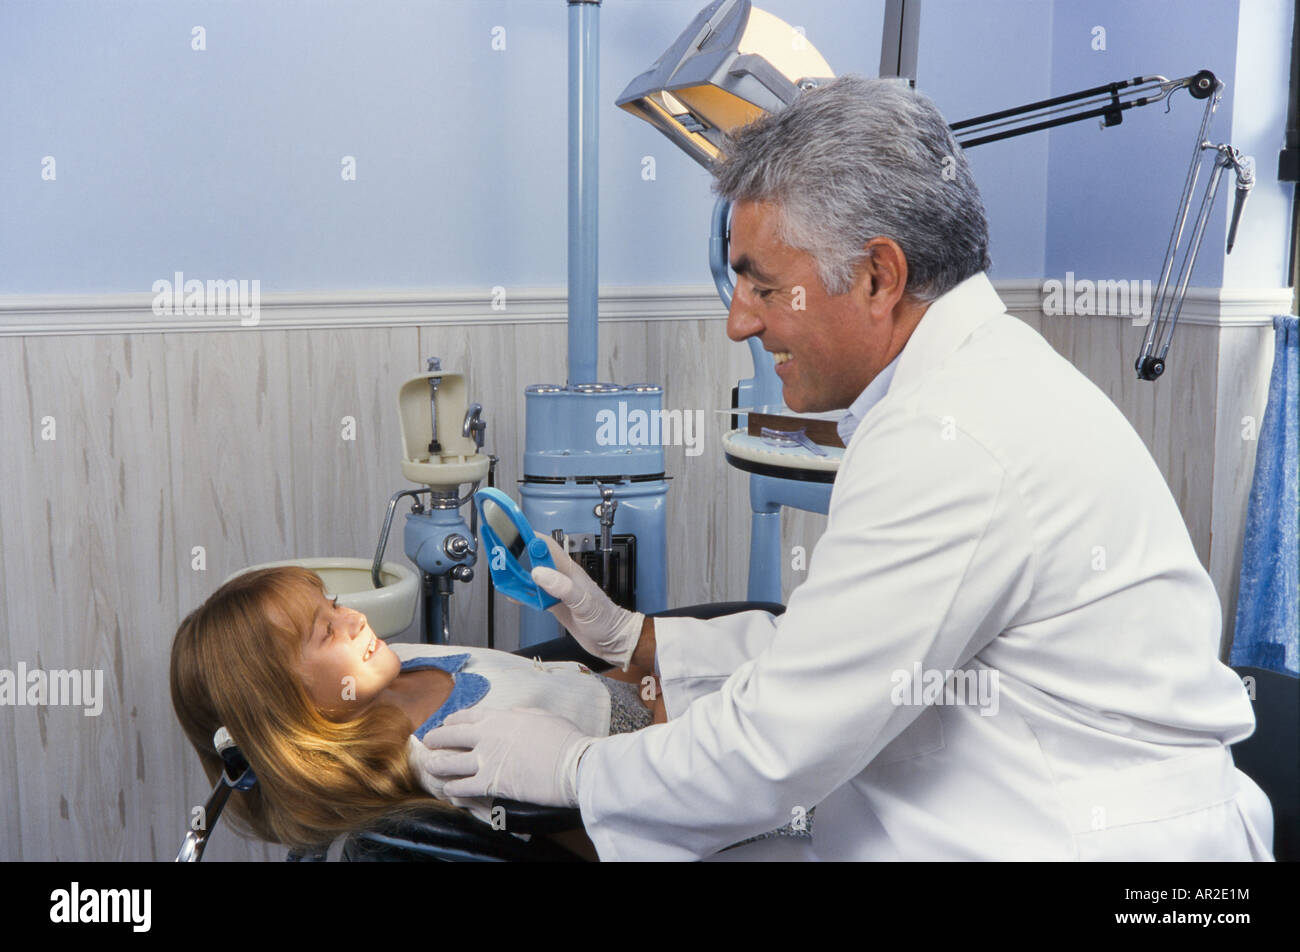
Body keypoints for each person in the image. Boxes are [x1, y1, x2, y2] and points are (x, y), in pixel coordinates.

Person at [413, 75, 1276, 861]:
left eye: (761, 285)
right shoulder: (968, 386)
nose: (739, 325)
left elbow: (775, 747)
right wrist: (633, 638)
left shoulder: (952, 436)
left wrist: (575, 772)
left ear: (876, 274)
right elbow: (840, 650)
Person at [168, 565, 661, 853]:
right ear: (284, 714)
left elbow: (555, 685)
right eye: (326, 631)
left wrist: (637, 658)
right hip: (671, 766)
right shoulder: (449, 759)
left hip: (654, 694)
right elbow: (615, 837)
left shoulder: (392, 667)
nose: (355, 618)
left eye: (334, 604)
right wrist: (666, 709)